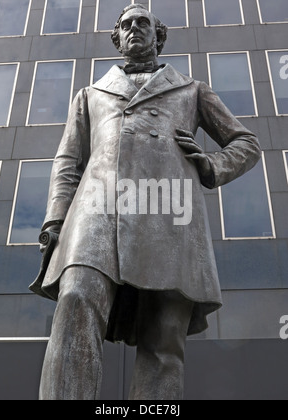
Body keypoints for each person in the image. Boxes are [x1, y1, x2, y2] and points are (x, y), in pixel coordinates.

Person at [30, 4, 261, 400]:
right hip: (97, 212)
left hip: (171, 214)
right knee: (76, 298)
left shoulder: (191, 90)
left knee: (164, 339)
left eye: (143, 23)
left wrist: (210, 165)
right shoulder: (90, 94)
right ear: (117, 39)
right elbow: (68, 160)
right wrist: (55, 220)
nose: (134, 28)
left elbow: (247, 143)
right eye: (126, 24)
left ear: (159, 35)